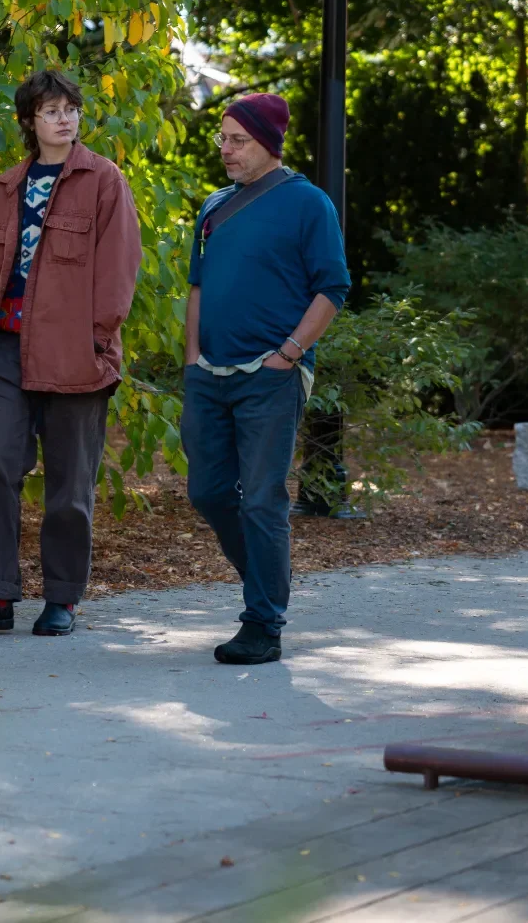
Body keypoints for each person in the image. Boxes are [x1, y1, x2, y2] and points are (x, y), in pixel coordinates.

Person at [0, 70, 143, 637]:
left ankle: (63, 597)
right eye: (51, 110)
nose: (64, 118)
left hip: (76, 350)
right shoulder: (8, 186)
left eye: (71, 109)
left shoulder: (104, 180)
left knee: (69, 481)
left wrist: (99, 342)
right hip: (5, 347)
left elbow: (118, 271)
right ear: (30, 122)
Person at [182, 93, 348, 664]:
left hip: (269, 377)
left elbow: (333, 288)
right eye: (223, 138)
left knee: (260, 501)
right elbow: (198, 288)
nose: (225, 150)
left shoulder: (308, 204)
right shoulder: (214, 206)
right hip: (209, 374)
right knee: (206, 491)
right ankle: (268, 580)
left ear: (269, 144)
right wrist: (190, 357)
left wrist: (291, 353)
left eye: (238, 140)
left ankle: (263, 622)